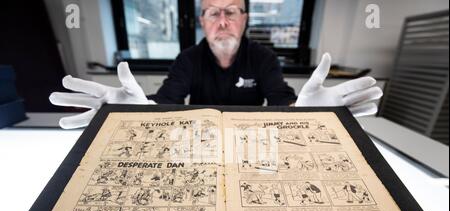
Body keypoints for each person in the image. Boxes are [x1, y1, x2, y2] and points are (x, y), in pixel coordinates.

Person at [50, 0, 383, 129]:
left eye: (231, 11)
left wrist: (305, 112)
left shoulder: (264, 58)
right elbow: (167, 100)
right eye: (213, 12)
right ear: (202, 21)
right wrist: (137, 112)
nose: (222, 21)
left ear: (244, 19)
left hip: (251, 140)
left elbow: (282, 101)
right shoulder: (188, 59)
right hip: (197, 138)